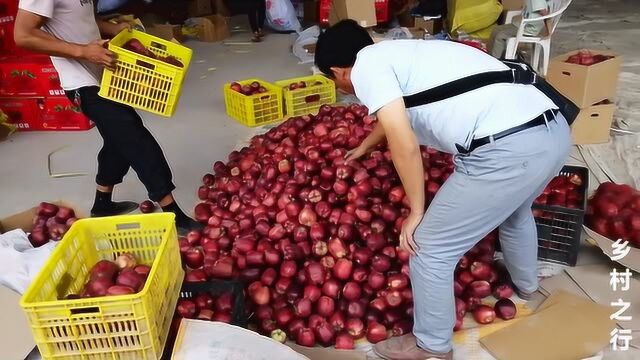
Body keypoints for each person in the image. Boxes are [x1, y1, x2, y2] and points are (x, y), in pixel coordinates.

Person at [315, 20, 571, 360]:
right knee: (515, 214)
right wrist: (364, 146)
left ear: (337, 71)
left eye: (333, 80)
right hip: (552, 132)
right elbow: (396, 112)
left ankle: (431, 347)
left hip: (506, 151)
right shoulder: (401, 52)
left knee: (429, 249)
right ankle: (527, 289)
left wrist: (417, 212)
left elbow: (403, 143)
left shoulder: (365, 69)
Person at [14, 0, 202, 234]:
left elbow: (79, 20)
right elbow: (22, 35)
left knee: (117, 140)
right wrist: (82, 51)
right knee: (134, 137)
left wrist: (112, 29)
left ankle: (102, 204)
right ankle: (173, 213)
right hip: (81, 83)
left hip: (105, 76)